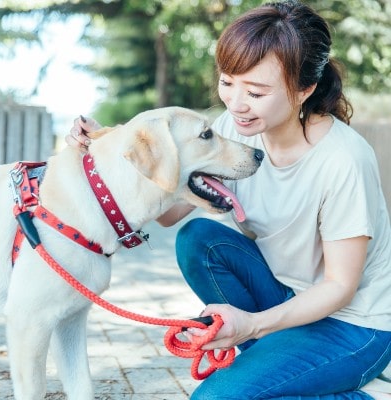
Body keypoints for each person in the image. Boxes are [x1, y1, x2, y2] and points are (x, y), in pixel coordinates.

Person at [66, 1, 391, 398]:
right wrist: (117, 150)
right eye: (227, 81)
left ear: (304, 90)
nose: (236, 103)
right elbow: (169, 217)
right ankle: (284, 370)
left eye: (255, 91)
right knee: (198, 239)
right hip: (284, 297)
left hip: (355, 325)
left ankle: (318, 380)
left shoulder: (343, 160)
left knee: (215, 398)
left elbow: (340, 286)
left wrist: (252, 326)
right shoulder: (235, 129)